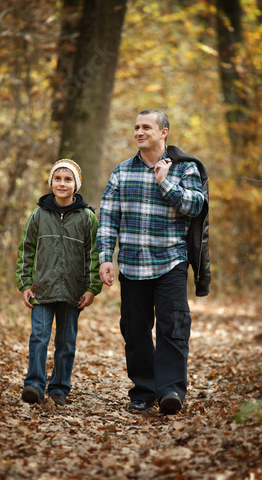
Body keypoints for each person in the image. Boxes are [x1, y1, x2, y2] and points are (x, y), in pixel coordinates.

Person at [96, 109, 210, 414]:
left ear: (163, 132)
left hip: (170, 262)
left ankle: (171, 390)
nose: (139, 132)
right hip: (131, 266)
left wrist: (164, 183)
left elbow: (196, 206)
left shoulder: (185, 169)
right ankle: (143, 391)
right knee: (135, 331)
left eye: (146, 127)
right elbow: (108, 217)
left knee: (173, 328)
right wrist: (106, 258)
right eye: (136, 127)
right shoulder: (121, 171)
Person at [16, 159, 102, 406]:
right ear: (50, 182)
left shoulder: (87, 218)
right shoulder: (38, 215)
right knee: (39, 337)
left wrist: (91, 288)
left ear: (76, 184)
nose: (62, 183)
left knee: (66, 343)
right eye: (58, 178)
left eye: (68, 179)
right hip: (42, 289)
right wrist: (25, 284)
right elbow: (26, 250)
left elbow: (94, 254)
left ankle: (59, 389)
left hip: (73, 291)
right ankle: (33, 385)